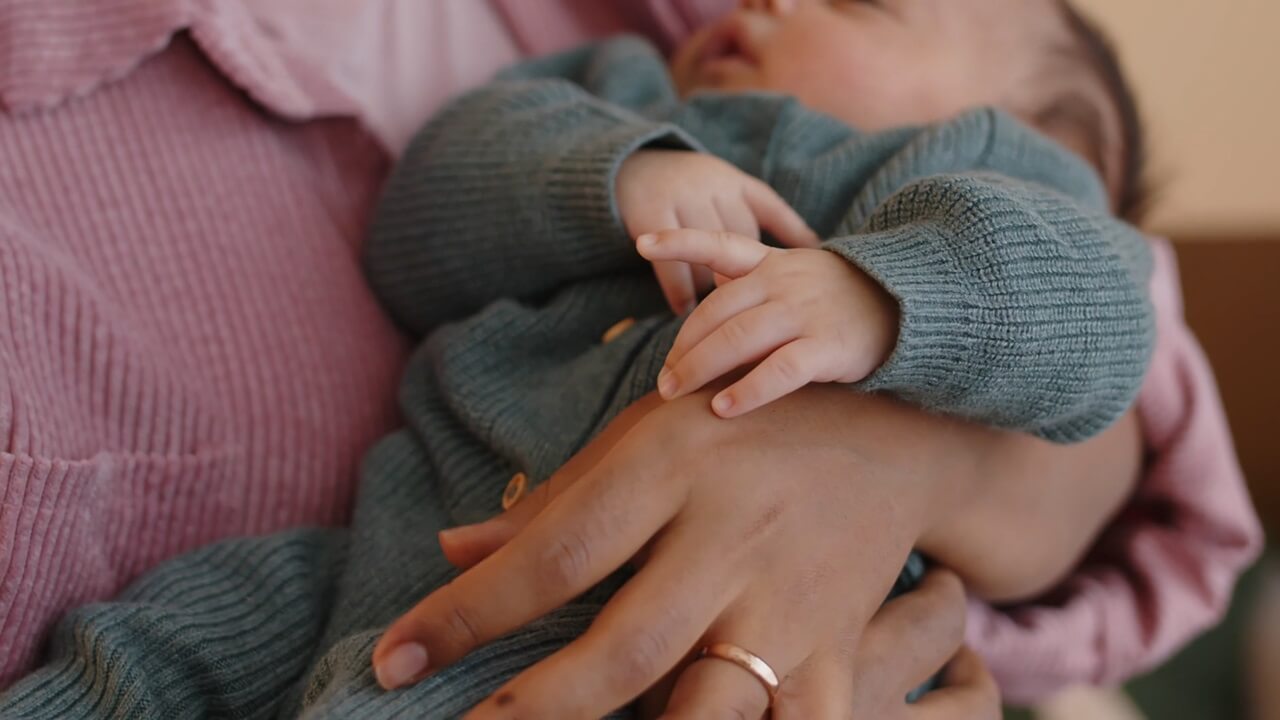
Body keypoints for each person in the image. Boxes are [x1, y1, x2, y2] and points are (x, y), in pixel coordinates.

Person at [0, 0, 1259, 716]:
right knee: (156, 652)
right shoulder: (612, 87)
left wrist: (883, 301)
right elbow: (420, 223)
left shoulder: (964, 190)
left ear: (1026, 142)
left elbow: (1097, 321)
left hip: (673, 646)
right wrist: (616, 170)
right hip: (391, 557)